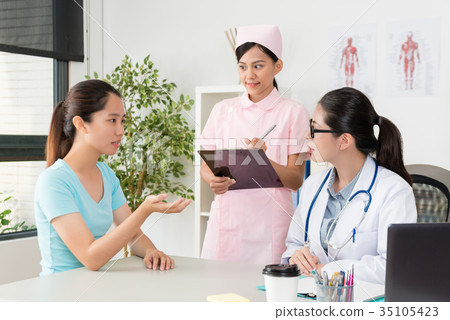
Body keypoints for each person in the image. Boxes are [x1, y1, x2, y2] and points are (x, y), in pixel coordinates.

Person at [34, 79, 191, 276]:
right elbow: (91, 258)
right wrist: (144, 210)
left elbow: (133, 234)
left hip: (96, 288)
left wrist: (151, 251)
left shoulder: (106, 175)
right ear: (81, 124)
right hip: (61, 293)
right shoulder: (53, 181)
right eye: (112, 120)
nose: (121, 131)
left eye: (122, 120)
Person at [282, 87, 417, 284]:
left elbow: (393, 266)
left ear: (344, 140)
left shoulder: (394, 191)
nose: (306, 135)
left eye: (314, 129)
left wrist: (327, 270)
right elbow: (294, 244)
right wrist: (296, 258)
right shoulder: (313, 186)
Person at [199, 24, 310, 265]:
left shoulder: (295, 113)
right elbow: (206, 165)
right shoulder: (222, 110)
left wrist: (263, 162)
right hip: (226, 222)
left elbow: (296, 179)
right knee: (216, 292)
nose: (249, 75)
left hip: (270, 226)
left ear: (277, 66)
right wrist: (212, 181)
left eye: (258, 66)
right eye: (242, 67)